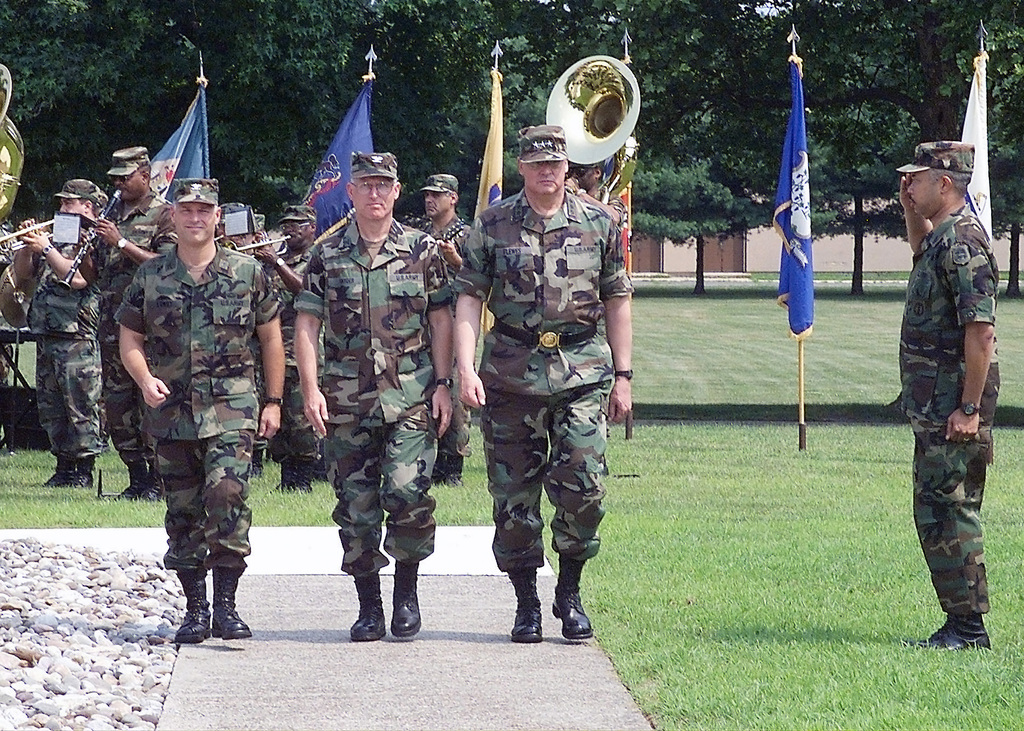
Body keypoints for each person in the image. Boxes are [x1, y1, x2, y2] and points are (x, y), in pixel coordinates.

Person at [453, 125, 633, 643]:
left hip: (582, 372)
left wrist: (623, 376)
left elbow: (618, 298)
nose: (547, 170)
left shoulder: (600, 223)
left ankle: (570, 592)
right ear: (523, 168)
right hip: (510, 375)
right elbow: (469, 298)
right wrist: (465, 368)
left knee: (584, 486)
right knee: (513, 500)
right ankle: (526, 602)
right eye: (537, 163)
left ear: (566, 166)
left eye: (555, 162)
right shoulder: (491, 224)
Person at [116, 178, 285, 645]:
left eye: (203, 211)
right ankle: (195, 609)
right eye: (186, 210)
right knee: (183, 510)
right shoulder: (150, 277)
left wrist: (273, 400)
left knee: (227, 493)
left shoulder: (247, 272)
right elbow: (129, 338)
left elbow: (271, 337)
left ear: (216, 217)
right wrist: (144, 377)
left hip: (233, 408)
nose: (195, 218)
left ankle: (227, 605)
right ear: (173, 216)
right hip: (171, 412)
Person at [294, 152, 453, 642]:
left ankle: (406, 593)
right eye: (366, 184)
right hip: (346, 398)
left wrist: (444, 384)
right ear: (352, 191)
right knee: (355, 505)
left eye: (384, 184)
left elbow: (443, 318)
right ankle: (368, 605)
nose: (375, 193)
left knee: (407, 493)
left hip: (411, 393)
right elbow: (306, 322)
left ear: (397, 190)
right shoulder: (328, 253)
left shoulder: (422, 249)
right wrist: (309, 387)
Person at [897, 141, 999, 650]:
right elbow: (920, 253)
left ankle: (969, 628)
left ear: (944, 183)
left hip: (953, 402)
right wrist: (908, 210)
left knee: (950, 507)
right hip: (936, 402)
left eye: (915, 179)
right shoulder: (942, 238)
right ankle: (960, 623)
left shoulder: (963, 243)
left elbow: (981, 332)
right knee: (937, 505)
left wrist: (969, 407)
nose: (908, 185)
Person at [93, 146, 176, 501]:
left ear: (145, 174)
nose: (119, 185)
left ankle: (160, 480)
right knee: (117, 406)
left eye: (125, 178)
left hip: (151, 327)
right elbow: (93, 274)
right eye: (114, 179)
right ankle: (136, 476)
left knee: (151, 403)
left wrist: (121, 242)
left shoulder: (164, 215)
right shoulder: (109, 214)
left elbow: (168, 264)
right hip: (112, 324)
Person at [13, 180, 106, 489]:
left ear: (88, 207)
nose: (63, 208)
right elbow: (24, 273)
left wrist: (47, 248)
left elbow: (77, 278)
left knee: (80, 402)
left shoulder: (92, 237)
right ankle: (63, 466)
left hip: (75, 332)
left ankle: (84, 467)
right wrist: (28, 246)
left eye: (70, 203)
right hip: (46, 330)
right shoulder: (53, 235)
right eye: (62, 202)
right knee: (52, 405)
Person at [253, 204, 322, 492]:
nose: (290, 230)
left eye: (297, 224)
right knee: (277, 415)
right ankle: (286, 476)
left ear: (312, 229)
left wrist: (278, 264)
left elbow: (305, 290)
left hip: (301, 348)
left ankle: (304, 477)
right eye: (286, 225)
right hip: (271, 349)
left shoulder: (316, 258)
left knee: (300, 418)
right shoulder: (272, 261)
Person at [416, 174, 472, 487]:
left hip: (453, 322)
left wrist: (456, 261)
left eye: (437, 195)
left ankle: (453, 462)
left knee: (452, 391)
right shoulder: (418, 234)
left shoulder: (467, 234)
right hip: (421, 324)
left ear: (453, 198)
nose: (430, 200)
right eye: (427, 195)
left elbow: (480, 278)